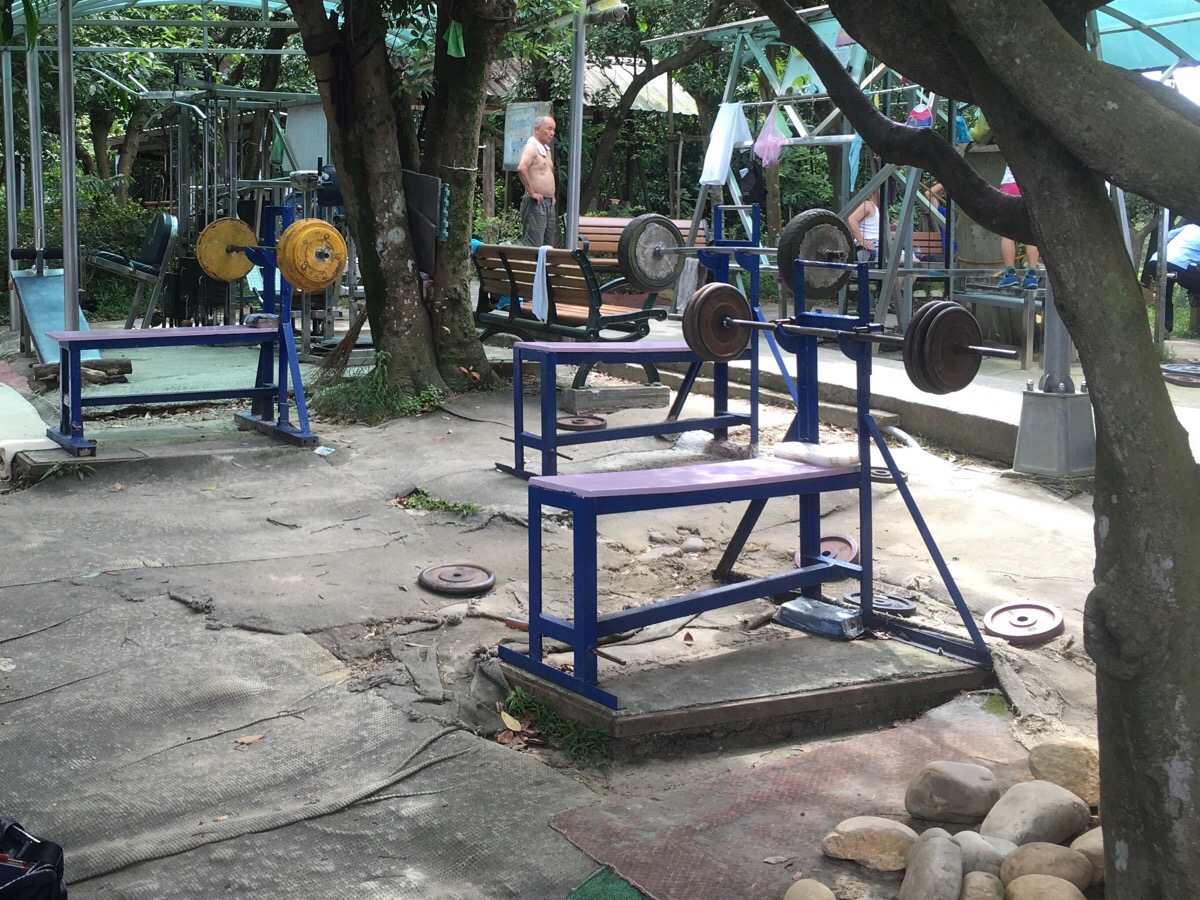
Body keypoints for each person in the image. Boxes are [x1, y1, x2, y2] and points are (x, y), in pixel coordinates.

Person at [1141, 222, 1200, 333]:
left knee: (1165, 294)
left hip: (1156, 261)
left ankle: (1165, 328)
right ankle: (1195, 295)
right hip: (1179, 265)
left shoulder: (1190, 227)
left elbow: (1166, 236)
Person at [997, 166, 1040, 289]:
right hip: (1031, 185)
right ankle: (1032, 274)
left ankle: (1010, 273)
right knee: (1031, 233)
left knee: (1007, 232)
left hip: (1011, 184)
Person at [517, 116, 557, 247]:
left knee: (548, 247)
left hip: (548, 203)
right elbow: (522, 168)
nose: (552, 133)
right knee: (534, 246)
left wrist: (552, 195)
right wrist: (531, 192)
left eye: (554, 130)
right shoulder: (531, 148)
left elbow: (547, 173)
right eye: (549, 129)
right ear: (537, 129)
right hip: (536, 202)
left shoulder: (546, 150)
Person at [846, 191, 880, 262]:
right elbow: (852, 219)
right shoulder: (868, 205)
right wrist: (861, 240)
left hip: (881, 246)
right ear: (873, 193)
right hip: (869, 248)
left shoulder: (882, 210)